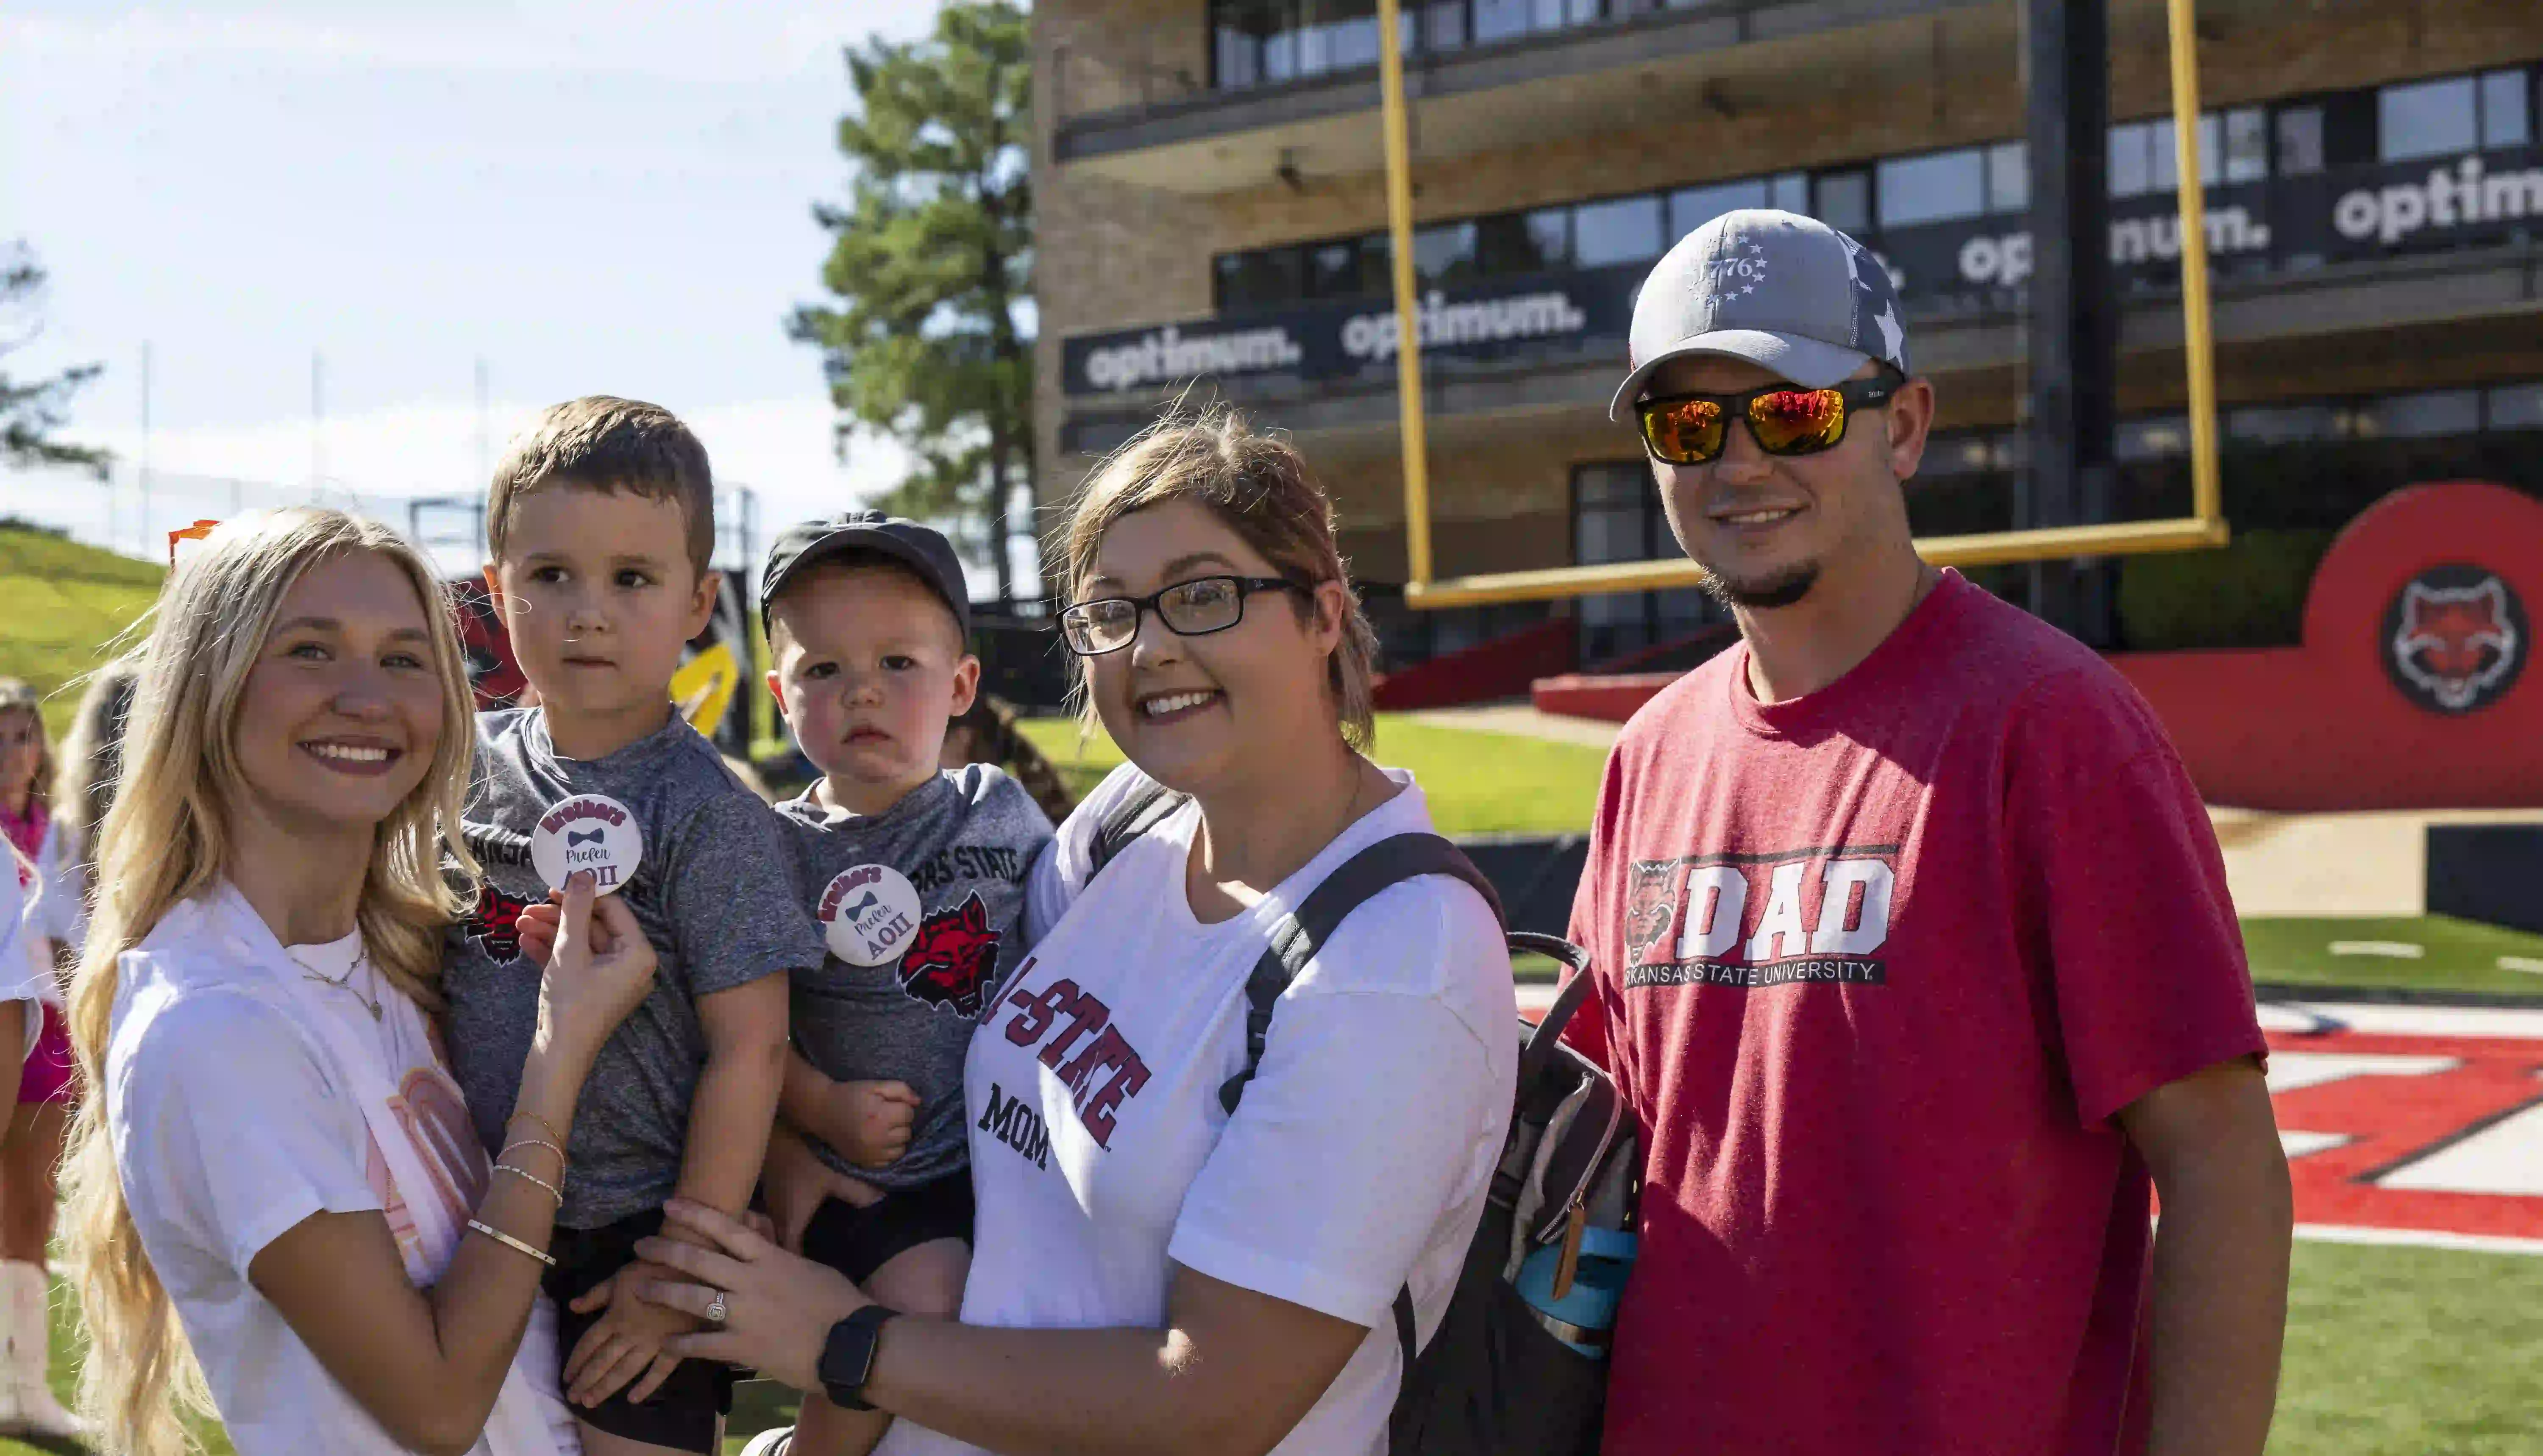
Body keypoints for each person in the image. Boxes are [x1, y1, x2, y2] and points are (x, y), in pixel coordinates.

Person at [526, 410, 1514, 1456]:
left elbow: (1212, 1402)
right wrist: (788, 1141)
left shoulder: (1394, 964)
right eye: (1111, 610)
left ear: (1323, 613)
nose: (1152, 644)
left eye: (1203, 595)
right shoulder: (1132, 825)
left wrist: (840, 1338)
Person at [1558, 209, 2292, 1456]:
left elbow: (2221, 1165)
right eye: (1689, 424)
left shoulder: (2053, 727)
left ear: (1901, 426)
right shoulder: (1651, 754)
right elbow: (1599, 1168)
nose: (1739, 461)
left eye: (1793, 411)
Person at [58, 506, 665, 1456]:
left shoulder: (406, 961)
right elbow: (436, 1407)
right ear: (209, 688)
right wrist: (561, 1058)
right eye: (309, 649)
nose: (366, 697)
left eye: (404, 658)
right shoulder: (214, 1022)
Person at [443, 396, 824, 1456]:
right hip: (459, 1204)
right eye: (550, 575)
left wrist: (680, 1269)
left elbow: (752, 1049)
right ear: (496, 590)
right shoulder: (458, 770)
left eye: (633, 578)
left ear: (700, 600)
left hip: (633, 1236)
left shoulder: (713, 815)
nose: (588, 612)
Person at [747, 511, 1056, 1456]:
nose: (863, 692)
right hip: (870, 1179)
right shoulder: (773, 853)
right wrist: (821, 1109)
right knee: (924, 1303)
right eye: (824, 670)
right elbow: (728, 1021)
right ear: (779, 695)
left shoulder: (999, 810)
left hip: (1003, 1170)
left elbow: (1081, 951)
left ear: (962, 684)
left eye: (898, 663)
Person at [0, 679, 77, 1438]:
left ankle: (21, 1391)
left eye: (24, 735)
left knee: (31, 1211)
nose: (13, 752)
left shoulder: (55, 830)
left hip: (48, 1038)